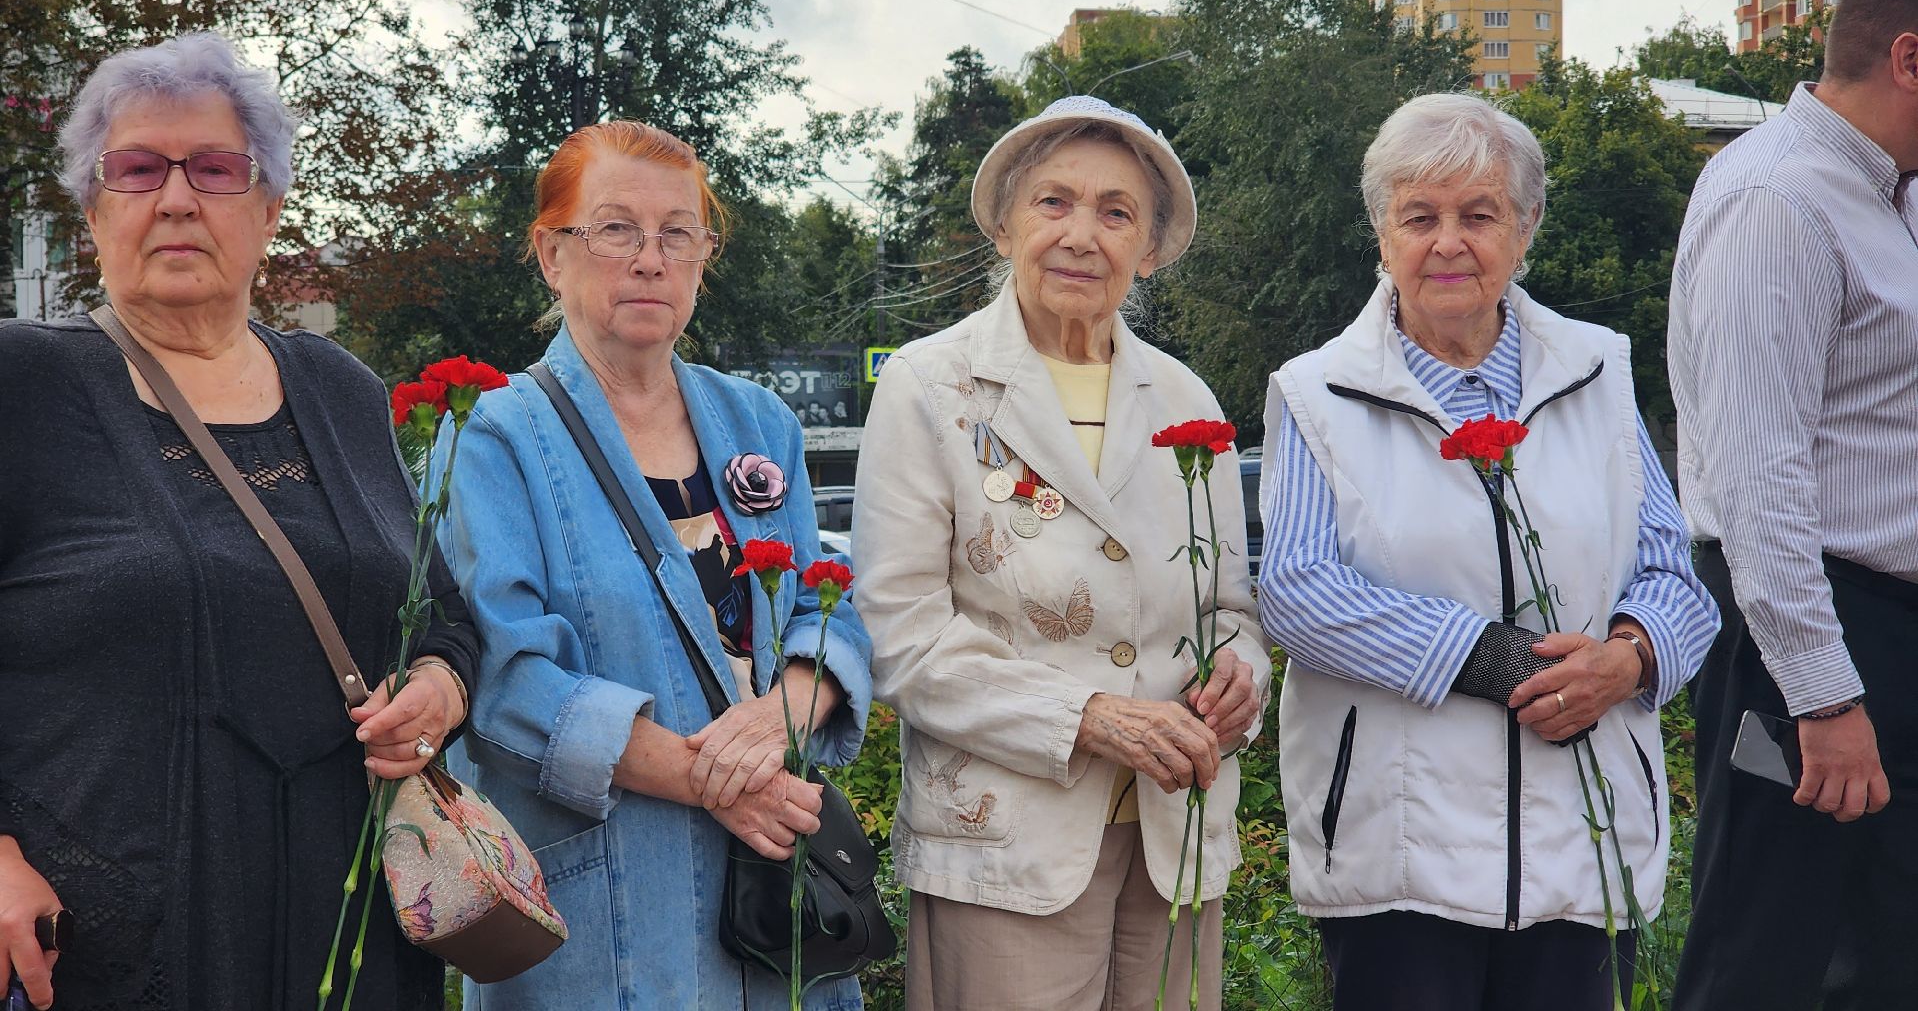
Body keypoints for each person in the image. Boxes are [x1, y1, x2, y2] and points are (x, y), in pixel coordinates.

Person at [0, 31, 477, 1011]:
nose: (176, 199)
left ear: (269, 207)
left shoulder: (339, 390)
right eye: (137, 169)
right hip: (110, 947)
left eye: (215, 169)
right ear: (94, 208)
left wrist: (435, 691)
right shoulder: (23, 382)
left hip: (349, 939)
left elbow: (442, 616)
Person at [1258, 93, 1718, 1011]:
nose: (1448, 243)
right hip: (1399, 852)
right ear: (1382, 235)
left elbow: (1674, 570)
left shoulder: (1598, 371)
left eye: (1479, 215)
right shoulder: (1317, 393)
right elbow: (1299, 591)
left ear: (1526, 228)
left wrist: (1625, 660)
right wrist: (1492, 658)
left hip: (1580, 836)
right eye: (1419, 217)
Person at [436, 119, 874, 1010]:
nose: (650, 259)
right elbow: (509, 680)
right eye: (615, 229)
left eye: (680, 233)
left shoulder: (760, 425)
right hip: (610, 920)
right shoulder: (487, 436)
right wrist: (717, 785)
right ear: (552, 254)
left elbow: (827, 610)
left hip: (773, 897)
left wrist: (791, 704)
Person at [853, 95, 1270, 1011]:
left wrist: (1242, 674)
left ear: (1149, 249)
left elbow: (1230, 609)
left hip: (1174, 847)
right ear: (1004, 226)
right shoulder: (932, 386)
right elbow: (901, 634)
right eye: (1054, 203)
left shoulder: (1184, 395)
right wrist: (1087, 715)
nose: (1082, 233)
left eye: (1116, 212)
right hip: (1008, 845)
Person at [1667, 0, 1918, 1009]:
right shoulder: (1776, 199)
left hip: (1884, 640)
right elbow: (1756, 477)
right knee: (1772, 957)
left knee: (1885, 959)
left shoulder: (1890, 197)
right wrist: (1822, 696)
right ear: (1909, 59)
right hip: (1807, 645)